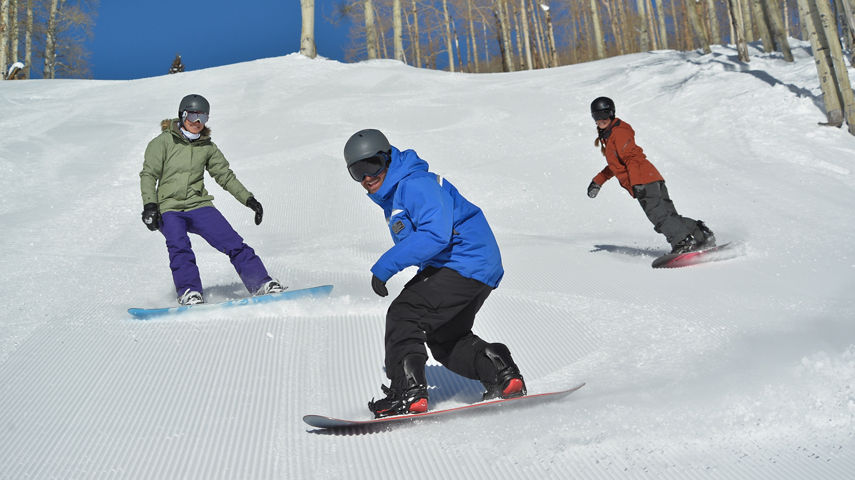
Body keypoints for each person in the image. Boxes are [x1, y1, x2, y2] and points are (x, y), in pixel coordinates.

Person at [343, 128, 526, 418]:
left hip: (465, 260)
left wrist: (384, 267)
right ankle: (500, 371)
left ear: (387, 159)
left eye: (372, 165)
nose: (367, 177)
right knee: (444, 337)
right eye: (357, 171)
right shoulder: (396, 194)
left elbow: (435, 234)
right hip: (472, 264)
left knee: (405, 313)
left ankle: (408, 391)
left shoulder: (414, 184)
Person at [139, 94, 284, 305]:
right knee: (180, 247)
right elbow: (148, 174)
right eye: (192, 116)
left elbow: (225, 176)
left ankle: (260, 283)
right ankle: (189, 292)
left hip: (199, 205)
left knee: (233, 243)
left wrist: (249, 200)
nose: (197, 123)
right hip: (169, 208)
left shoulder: (207, 147)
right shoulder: (162, 142)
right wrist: (150, 205)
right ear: (182, 115)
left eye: (203, 118)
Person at [586, 96, 715, 254]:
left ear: (611, 113)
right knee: (669, 216)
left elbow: (631, 159)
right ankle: (701, 234)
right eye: (597, 117)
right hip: (651, 177)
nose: (601, 120)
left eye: (604, 115)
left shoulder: (618, 134)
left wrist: (637, 182)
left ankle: (682, 242)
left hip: (643, 180)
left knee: (660, 218)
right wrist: (598, 181)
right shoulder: (611, 136)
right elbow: (616, 165)